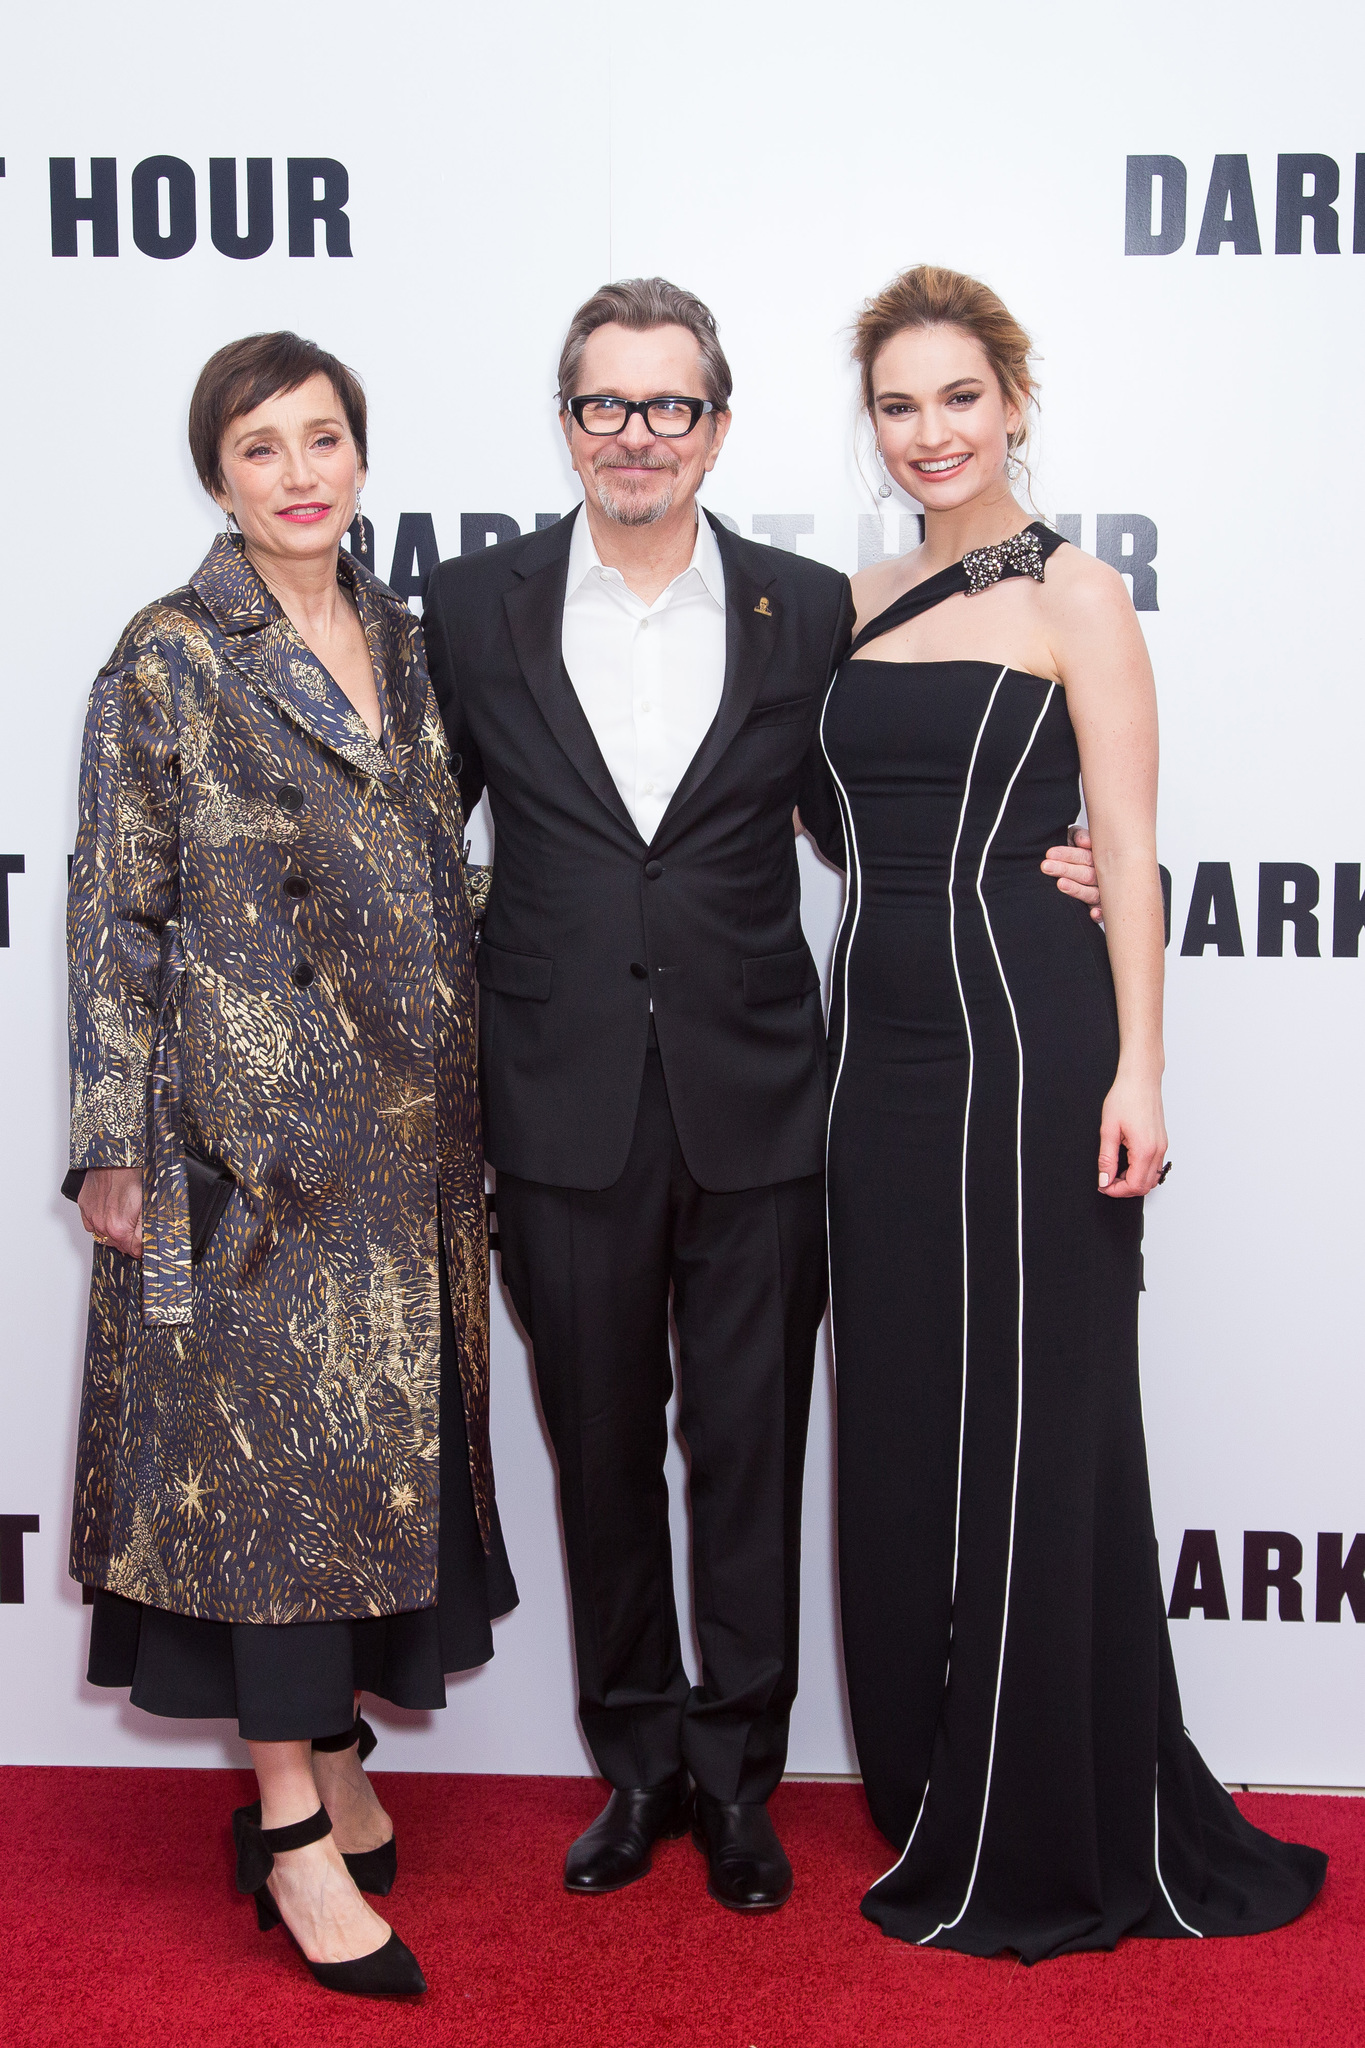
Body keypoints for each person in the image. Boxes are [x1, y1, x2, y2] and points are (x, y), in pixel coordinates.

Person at [421, 278, 1097, 1912]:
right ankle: (636, 1768)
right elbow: (407, 843)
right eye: (605, 406)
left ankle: (739, 1782)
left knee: (747, 1452)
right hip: (558, 1096)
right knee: (596, 1454)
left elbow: (875, 808)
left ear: (717, 426)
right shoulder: (463, 607)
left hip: (762, 1099)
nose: (636, 437)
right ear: (566, 421)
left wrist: (1049, 862)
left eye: (670, 407)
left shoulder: (808, 610)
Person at [818, 264, 1326, 1958]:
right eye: (899, 403)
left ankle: (1042, 1813)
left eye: (959, 396)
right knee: (901, 1421)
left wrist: (1141, 1071)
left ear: (1016, 402)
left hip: (1031, 1054)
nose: (931, 431)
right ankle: (931, 1767)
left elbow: (1126, 848)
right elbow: (842, 824)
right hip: (872, 1060)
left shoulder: (1079, 597)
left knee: (1038, 1421)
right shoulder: (856, 593)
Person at [67, 331, 515, 1998]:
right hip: (239, 1155)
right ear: (217, 476)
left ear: (362, 456)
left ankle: (328, 1749)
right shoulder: (168, 659)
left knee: (364, 1475)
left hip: (406, 1147)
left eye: (324, 438)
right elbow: (116, 916)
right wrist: (114, 1141)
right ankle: (290, 1839)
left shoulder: (405, 637)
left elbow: (438, 875)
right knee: (257, 1491)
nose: (299, 472)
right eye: (261, 448)